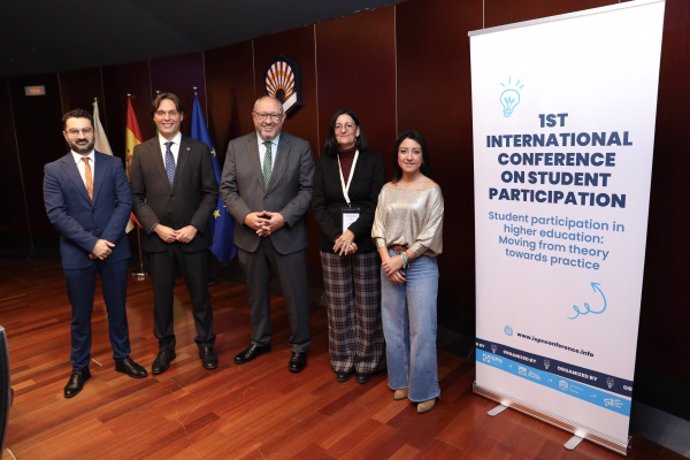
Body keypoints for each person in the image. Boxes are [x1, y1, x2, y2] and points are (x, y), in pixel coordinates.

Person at [44, 109, 148, 399]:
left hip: (114, 250)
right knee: (80, 314)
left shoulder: (113, 164)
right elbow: (56, 214)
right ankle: (80, 367)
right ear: (65, 135)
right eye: (74, 131)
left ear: (93, 132)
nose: (81, 136)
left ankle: (122, 358)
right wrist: (91, 244)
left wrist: (105, 241)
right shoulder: (53, 170)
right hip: (77, 254)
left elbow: (124, 201)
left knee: (118, 308)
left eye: (86, 130)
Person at [220, 96, 314, 373]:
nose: (268, 121)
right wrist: (246, 217)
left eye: (274, 115)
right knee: (256, 293)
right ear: (253, 117)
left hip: (287, 235)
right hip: (249, 235)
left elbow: (308, 189)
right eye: (263, 115)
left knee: (296, 294)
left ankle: (300, 346)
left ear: (283, 118)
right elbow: (227, 188)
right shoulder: (236, 147)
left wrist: (283, 218)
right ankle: (259, 340)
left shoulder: (301, 148)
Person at [130, 93, 219, 374]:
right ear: (154, 118)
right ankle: (165, 347)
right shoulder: (142, 152)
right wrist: (155, 227)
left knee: (200, 296)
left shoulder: (200, 150)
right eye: (161, 113)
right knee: (161, 297)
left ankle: (206, 344)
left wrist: (194, 226)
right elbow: (136, 197)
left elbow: (210, 193)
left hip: (192, 237)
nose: (167, 117)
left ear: (181, 116)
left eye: (172, 112)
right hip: (159, 240)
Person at [371, 130, 444, 414]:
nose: (409, 156)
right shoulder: (387, 189)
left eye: (415, 151)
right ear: (397, 155)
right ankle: (401, 381)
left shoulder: (432, 190)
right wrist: (387, 260)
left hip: (421, 262)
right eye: (404, 151)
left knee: (422, 328)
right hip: (389, 259)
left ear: (423, 157)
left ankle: (425, 389)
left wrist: (403, 260)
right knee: (393, 325)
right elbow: (378, 228)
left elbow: (430, 234)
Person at [312, 108, 385, 384]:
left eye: (348, 125)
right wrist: (338, 237)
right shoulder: (323, 163)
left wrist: (352, 233)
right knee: (338, 304)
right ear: (333, 132)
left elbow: (377, 202)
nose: (343, 130)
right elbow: (317, 204)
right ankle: (342, 359)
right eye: (338, 126)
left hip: (365, 241)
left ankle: (368, 360)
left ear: (357, 130)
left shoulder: (373, 160)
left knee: (367, 304)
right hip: (333, 243)